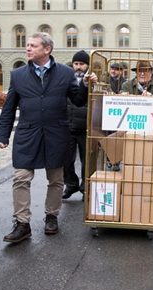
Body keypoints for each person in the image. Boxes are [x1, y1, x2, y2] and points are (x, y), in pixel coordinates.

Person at [0, 32, 97, 243]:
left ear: (47, 49)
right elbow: (9, 107)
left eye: (33, 45)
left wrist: (86, 85)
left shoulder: (65, 73)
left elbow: (78, 100)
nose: (28, 49)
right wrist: (3, 134)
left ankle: (52, 216)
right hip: (27, 133)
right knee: (21, 178)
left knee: (56, 179)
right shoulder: (18, 75)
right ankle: (22, 224)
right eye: (27, 45)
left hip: (56, 133)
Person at [62, 50, 90, 201]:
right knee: (66, 160)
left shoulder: (93, 79)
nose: (78, 67)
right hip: (68, 126)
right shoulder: (67, 78)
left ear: (87, 65)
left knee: (87, 160)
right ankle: (71, 184)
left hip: (86, 127)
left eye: (82, 64)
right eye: (76, 64)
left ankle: (85, 187)